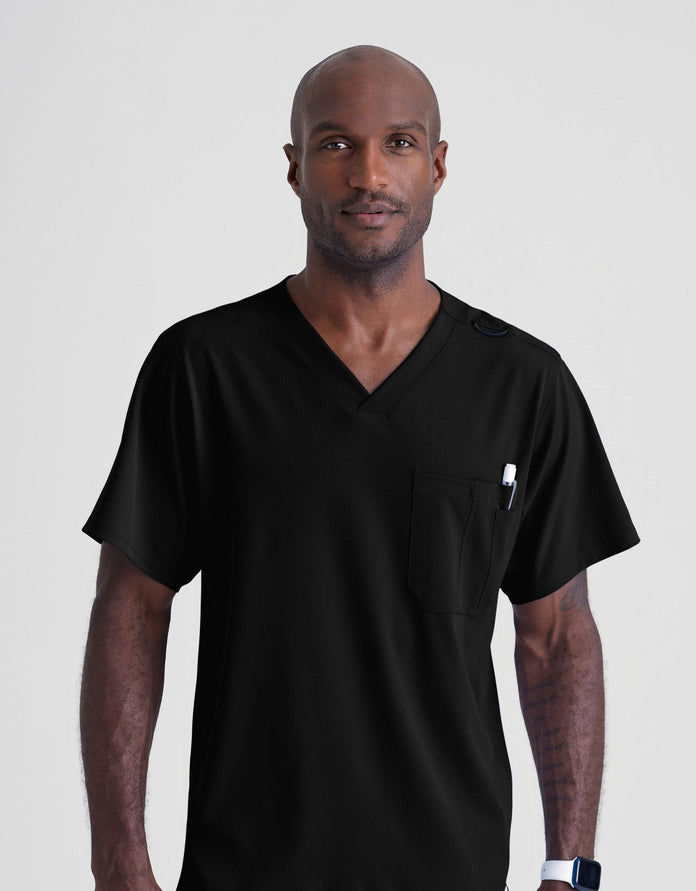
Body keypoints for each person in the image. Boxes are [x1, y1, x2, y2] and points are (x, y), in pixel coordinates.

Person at [80, 45, 639, 891]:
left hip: (453, 871)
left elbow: (557, 636)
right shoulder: (204, 368)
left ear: (438, 165)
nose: (369, 174)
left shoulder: (522, 384)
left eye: (399, 143)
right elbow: (131, 605)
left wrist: (572, 868)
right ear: (294, 167)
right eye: (336, 143)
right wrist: (120, 864)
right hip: (244, 870)